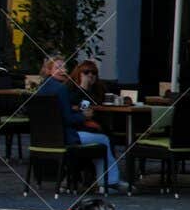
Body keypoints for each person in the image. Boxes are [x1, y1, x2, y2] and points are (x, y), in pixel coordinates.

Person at [37, 55, 129, 194]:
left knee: (99, 137)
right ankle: (109, 182)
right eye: (58, 67)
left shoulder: (42, 88)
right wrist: (82, 116)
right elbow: (67, 119)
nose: (63, 70)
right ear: (49, 70)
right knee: (104, 140)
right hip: (66, 136)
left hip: (43, 139)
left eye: (64, 67)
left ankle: (88, 179)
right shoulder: (61, 89)